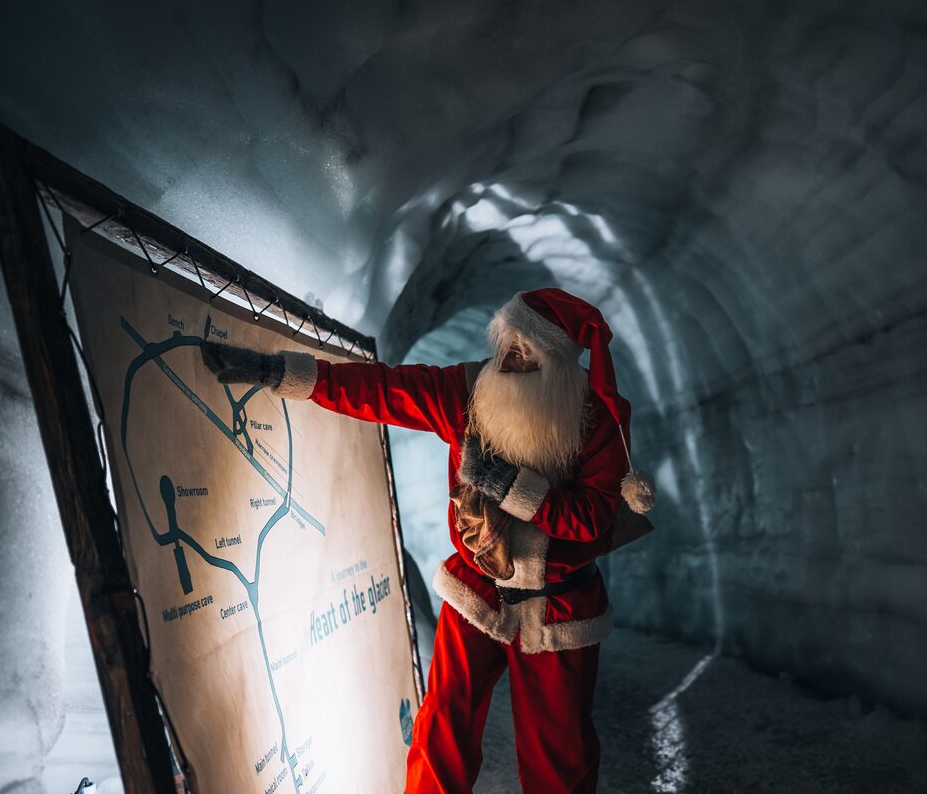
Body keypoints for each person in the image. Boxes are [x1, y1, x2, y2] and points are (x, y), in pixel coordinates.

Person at [201, 288, 654, 793]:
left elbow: (592, 518)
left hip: (560, 609)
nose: (508, 357)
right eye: (507, 341)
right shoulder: (468, 391)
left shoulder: (595, 422)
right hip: (479, 591)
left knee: (560, 752)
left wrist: (511, 487)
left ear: (558, 363)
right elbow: (383, 390)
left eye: (527, 350)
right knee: (442, 727)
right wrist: (280, 372)